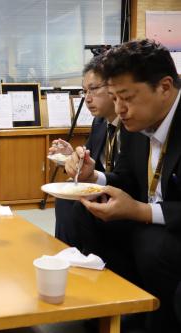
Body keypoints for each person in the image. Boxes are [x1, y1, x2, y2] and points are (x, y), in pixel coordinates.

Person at [66, 39, 181, 332]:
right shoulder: (139, 122)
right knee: (79, 207)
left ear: (165, 87)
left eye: (126, 97)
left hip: (171, 225)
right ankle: (101, 306)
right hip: (149, 218)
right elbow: (128, 179)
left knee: (154, 245)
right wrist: (94, 178)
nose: (120, 108)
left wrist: (142, 212)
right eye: (114, 98)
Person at [49, 54, 120, 247]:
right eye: (84, 91)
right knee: (64, 198)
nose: (87, 99)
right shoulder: (99, 122)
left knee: (77, 204)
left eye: (94, 89)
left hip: (121, 194)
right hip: (99, 188)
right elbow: (87, 161)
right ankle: (68, 253)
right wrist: (69, 157)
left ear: (115, 87)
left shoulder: (133, 124)